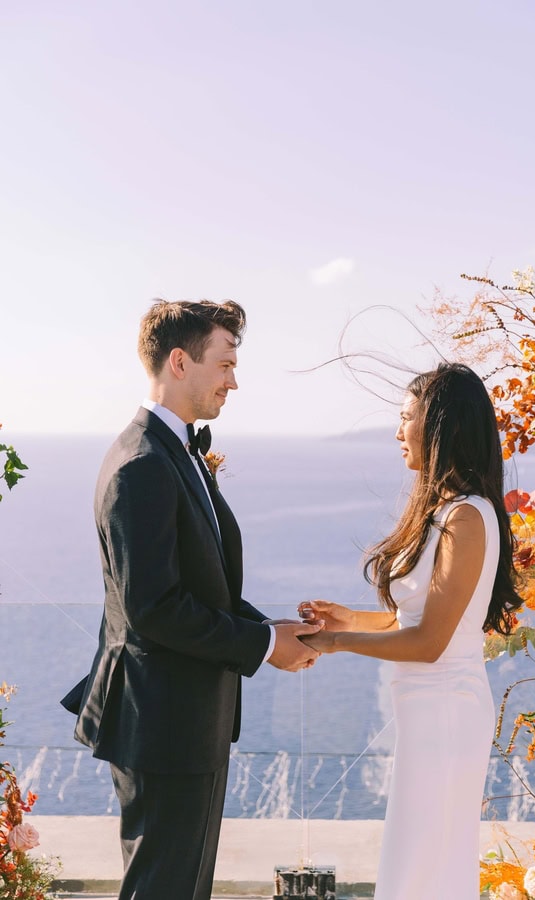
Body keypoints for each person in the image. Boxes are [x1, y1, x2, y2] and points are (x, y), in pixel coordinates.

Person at [62, 299, 322, 900]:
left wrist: (273, 629)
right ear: (179, 362)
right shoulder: (142, 464)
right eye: (225, 364)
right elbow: (153, 608)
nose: (234, 381)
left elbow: (204, 586)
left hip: (188, 720)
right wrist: (264, 645)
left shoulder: (176, 452)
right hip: (162, 723)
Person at [299, 362, 522, 899]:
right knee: (419, 863)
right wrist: (349, 619)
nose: (398, 432)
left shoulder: (467, 518)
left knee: (426, 866)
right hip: (428, 712)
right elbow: (418, 620)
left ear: (440, 425)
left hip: (446, 713)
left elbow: (429, 643)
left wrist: (337, 642)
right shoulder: (446, 512)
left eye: (406, 418)